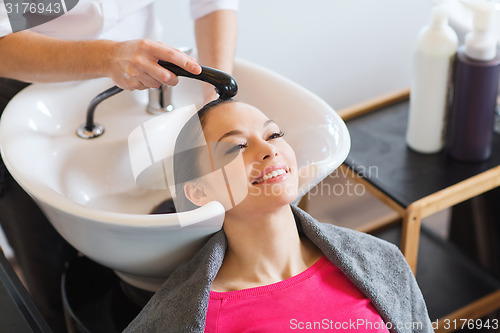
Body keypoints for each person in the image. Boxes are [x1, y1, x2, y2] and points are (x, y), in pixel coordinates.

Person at [0, 1, 238, 332]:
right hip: (32, 96)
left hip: (143, 78)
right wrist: (107, 58)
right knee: (46, 273)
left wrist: (214, 102)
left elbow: (213, 5)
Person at [124, 100, 434, 332]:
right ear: (199, 192)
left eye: (273, 135)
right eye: (235, 148)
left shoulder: (381, 260)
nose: (268, 150)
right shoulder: (199, 318)